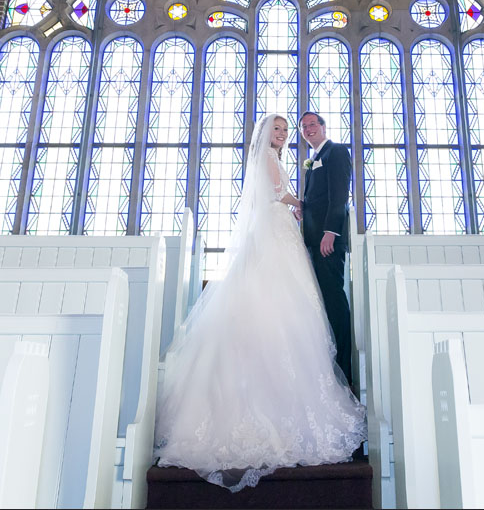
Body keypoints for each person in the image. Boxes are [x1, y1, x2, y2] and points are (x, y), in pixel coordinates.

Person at [152, 114, 367, 492]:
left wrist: (301, 209)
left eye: (289, 130)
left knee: (293, 304)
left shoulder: (308, 156)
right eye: (280, 129)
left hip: (284, 230)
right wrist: (297, 201)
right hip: (274, 231)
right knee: (274, 298)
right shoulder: (269, 160)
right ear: (267, 134)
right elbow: (272, 194)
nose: (285, 134)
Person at [297, 111, 355, 386]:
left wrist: (330, 232)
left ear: (322, 126)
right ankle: (329, 370)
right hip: (312, 241)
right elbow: (317, 199)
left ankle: (345, 374)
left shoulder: (336, 152)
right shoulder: (313, 160)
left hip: (327, 242)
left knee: (334, 303)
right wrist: (302, 209)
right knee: (321, 305)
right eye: (303, 126)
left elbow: (340, 195)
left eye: (312, 124)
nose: (308, 129)